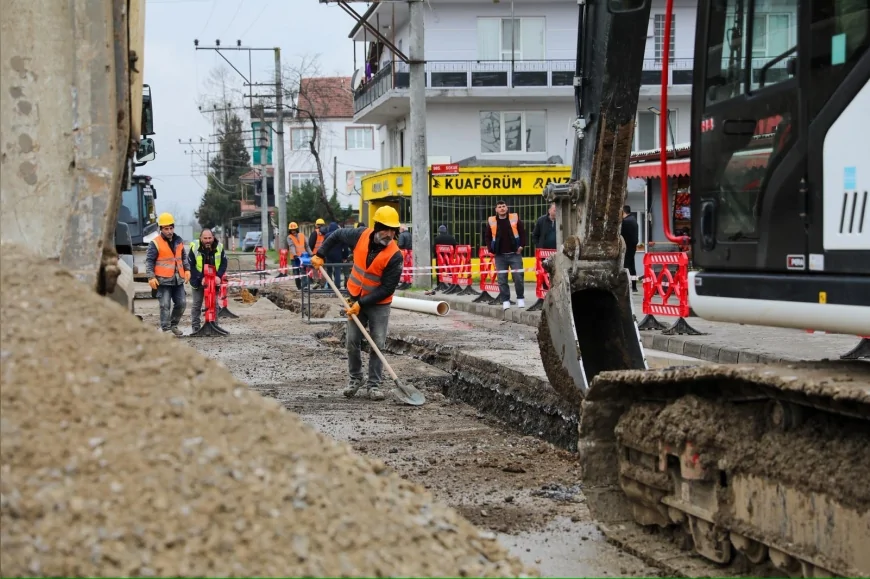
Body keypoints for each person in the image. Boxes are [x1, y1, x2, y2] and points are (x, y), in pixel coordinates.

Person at [311, 206, 403, 401]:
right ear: (377, 227)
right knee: (352, 341)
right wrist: (321, 254)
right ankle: (356, 378)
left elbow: (387, 288)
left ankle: (374, 385)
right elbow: (336, 235)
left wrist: (361, 303)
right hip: (355, 295)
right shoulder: (360, 235)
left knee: (377, 344)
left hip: (379, 303)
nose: (389, 234)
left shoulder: (395, 255)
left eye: (392, 230)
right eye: (385, 229)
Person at [145, 212, 189, 336]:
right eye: (166, 229)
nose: (169, 231)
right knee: (165, 305)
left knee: (181, 304)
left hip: (177, 279)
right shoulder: (155, 243)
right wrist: (151, 277)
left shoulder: (179, 241)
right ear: (161, 229)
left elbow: (183, 257)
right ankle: (166, 329)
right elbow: (149, 261)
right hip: (163, 280)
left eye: (171, 228)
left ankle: (173, 325)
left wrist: (187, 270)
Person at [483, 200, 527, 310]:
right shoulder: (491, 221)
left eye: (503, 206)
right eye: (499, 207)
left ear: (507, 208)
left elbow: (522, 233)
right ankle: (505, 300)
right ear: (496, 210)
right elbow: (487, 236)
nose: (502, 208)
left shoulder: (514, 218)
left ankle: (520, 298)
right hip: (499, 255)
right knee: (502, 280)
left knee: (518, 277)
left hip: (515, 254)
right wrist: (490, 249)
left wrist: (522, 246)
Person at [188, 228, 227, 333]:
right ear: (201, 238)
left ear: (213, 237)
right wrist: (201, 278)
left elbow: (224, 263)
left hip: (214, 280)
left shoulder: (219, 247)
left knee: (214, 304)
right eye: (205, 238)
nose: (208, 240)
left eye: (210, 238)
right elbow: (190, 266)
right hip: (197, 280)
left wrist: (218, 276)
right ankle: (195, 327)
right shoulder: (194, 247)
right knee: (197, 304)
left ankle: (215, 325)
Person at [324, 221, 349, 288]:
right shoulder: (340, 235)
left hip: (328, 256)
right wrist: (345, 256)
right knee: (337, 271)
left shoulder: (326, 236)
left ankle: (329, 285)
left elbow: (324, 246)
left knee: (329, 271)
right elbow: (345, 247)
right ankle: (337, 286)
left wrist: (323, 255)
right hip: (338, 256)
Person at [621, 205, 639, 292]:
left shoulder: (626, 221)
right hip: (632, 246)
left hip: (627, 246)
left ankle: (627, 286)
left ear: (623, 212)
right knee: (632, 266)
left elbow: (621, 233)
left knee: (626, 266)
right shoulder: (633, 220)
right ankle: (634, 286)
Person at [287, 221, 310, 289]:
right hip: (295, 258)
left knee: (303, 271)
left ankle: (304, 286)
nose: (293, 231)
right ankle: (299, 286)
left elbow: (307, 246)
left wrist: (311, 254)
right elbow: (292, 246)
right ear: (290, 230)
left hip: (303, 257)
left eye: (294, 229)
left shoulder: (302, 235)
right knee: (296, 273)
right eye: (292, 230)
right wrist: (294, 254)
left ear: (296, 229)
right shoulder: (289, 237)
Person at [309, 219, 328, 288]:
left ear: (316, 225)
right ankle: (323, 283)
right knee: (324, 269)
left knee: (315, 268)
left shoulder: (315, 233)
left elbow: (311, 244)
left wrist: (311, 253)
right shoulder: (326, 232)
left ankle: (317, 282)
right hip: (324, 254)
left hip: (316, 254)